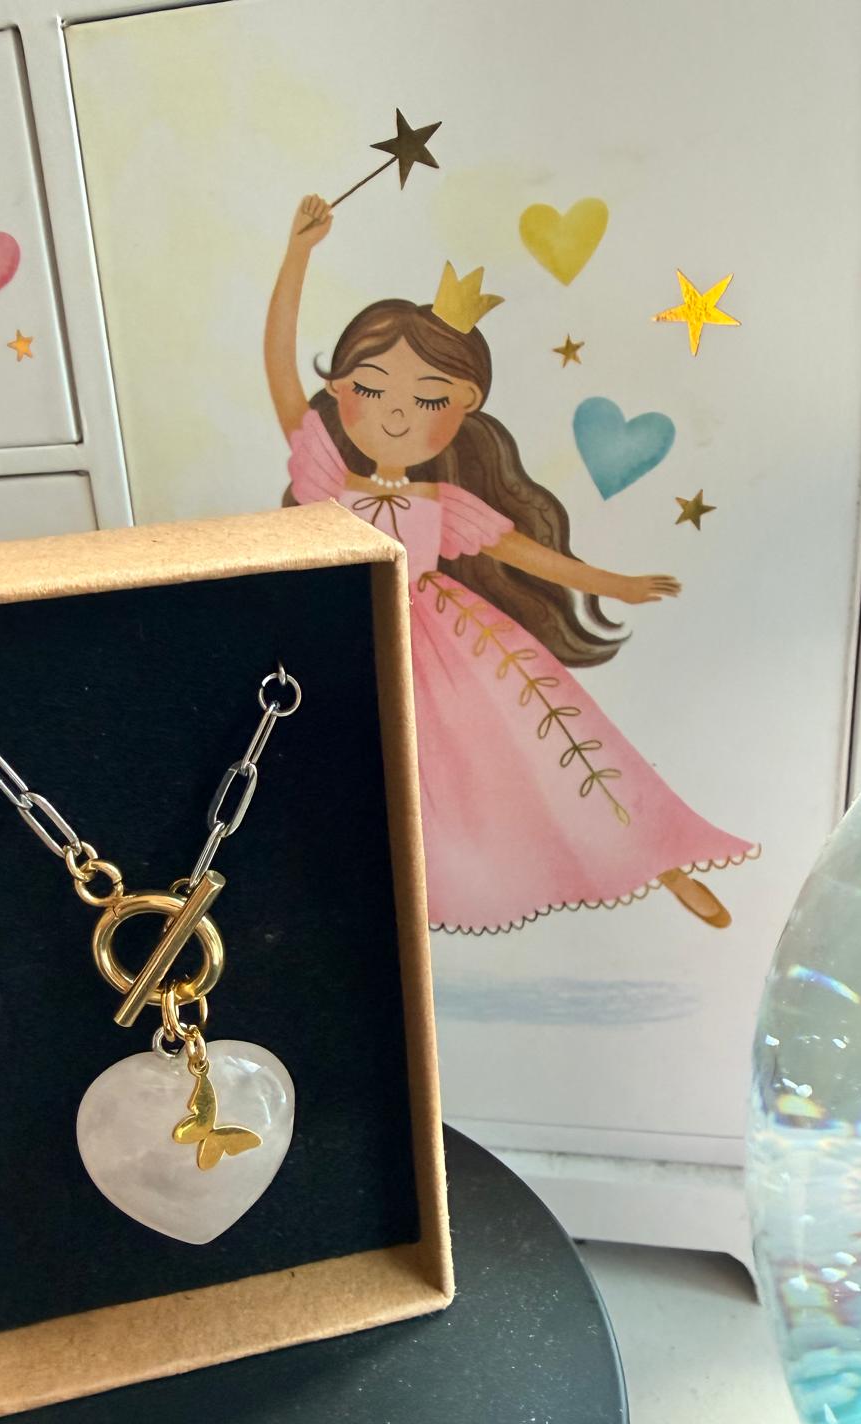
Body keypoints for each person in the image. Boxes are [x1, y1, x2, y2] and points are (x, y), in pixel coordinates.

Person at [265, 194, 755, 933]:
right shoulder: (329, 480)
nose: (396, 413)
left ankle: (662, 859)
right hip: (349, 640)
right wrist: (298, 253)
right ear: (338, 390)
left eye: (428, 399)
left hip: (454, 646)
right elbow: (278, 365)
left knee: (549, 748)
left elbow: (526, 553)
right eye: (371, 388)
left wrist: (615, 585)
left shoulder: (444, 503)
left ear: (464, 406)